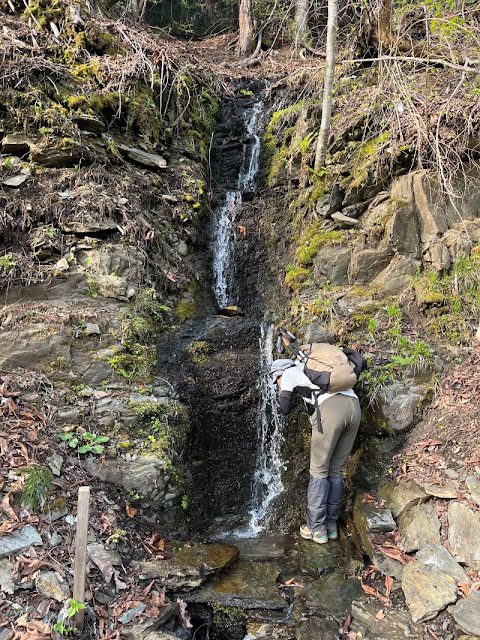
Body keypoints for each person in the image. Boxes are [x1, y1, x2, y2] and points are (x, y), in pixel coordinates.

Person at [270, 356, 361, 544]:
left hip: (332, 410)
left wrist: (285, 392)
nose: (277, 384)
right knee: (335, 469)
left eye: (275, 381)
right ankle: (331, 526)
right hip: (354, 407)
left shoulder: (289, 373)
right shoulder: (311, 367)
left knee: (319, 470)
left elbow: (285, 408)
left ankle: (316, 529)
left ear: (279, 374)